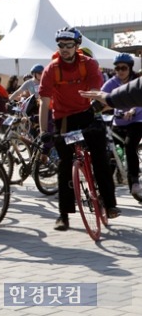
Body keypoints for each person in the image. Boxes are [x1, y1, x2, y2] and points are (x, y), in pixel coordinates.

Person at [38, 26, 120, 232]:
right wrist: (43, 131)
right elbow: (45, 103)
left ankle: (110, 205)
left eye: (68, 45)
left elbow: (95, 91)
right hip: (65, 120)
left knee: (101, 158)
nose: (64, 49)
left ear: (77, 46)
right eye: (61, 45)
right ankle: (63, 215)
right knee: (66, 165)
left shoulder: (88, 64)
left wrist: (94, 110)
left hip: (87, 115)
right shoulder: (51, 69)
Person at [96, 53, 142, 199]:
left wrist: (133, 110)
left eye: (124, 68)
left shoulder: (136, 81)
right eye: (117, 68)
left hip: (137, 121)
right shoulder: (112, 82)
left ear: (130, 68)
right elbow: (101, 95)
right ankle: (105, 191)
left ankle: (134, 181)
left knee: (129, 146)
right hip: (119, 121)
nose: (120, 71)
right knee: (111, 153)